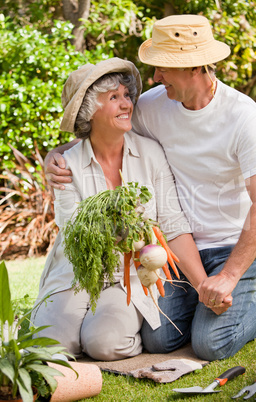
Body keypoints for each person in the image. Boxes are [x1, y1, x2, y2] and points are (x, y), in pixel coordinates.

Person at [44, 15, 256, 362]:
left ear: (193, 67)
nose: (155, 78)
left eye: (162, 68)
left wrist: (229, 277)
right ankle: (207, 304)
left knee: (210, 344)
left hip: (234, 247)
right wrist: (55, 154)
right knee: (158, 338)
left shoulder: (244, 117)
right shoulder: (155, 105)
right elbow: (102, 130)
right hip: (178, 253)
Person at [31, 57, 206, 361]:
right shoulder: (65, 165)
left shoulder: (151, 153)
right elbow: (73, 229)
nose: (126, 104)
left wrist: (202, 285)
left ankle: (93, 331)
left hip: (129, 275)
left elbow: (172, 221)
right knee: (50, 347)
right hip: (75, 271)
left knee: (106, 345)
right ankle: (66, 323)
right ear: (89, 111)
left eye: (127, 95)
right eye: (114, 98)